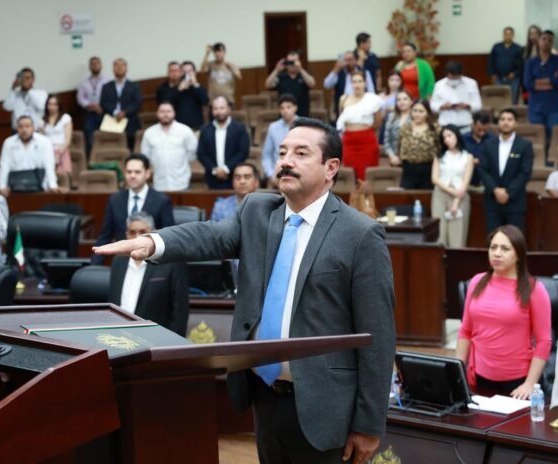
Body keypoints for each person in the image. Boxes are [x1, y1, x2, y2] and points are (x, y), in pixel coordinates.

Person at [94, 117, 396, 464]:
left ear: (331, 168)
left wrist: (369, 424)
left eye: (301, 153)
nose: (286, 161)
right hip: (264, 397)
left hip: (326, 408)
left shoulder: (360, 234)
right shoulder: (257, 211)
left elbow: (379, 336)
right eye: (282, 152)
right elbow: (209, 235)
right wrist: (152, 242)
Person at [457, 225, 552, 399]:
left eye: (505, 249)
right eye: (493, 247)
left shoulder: (534, 289)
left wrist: (530, 384)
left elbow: (544, 341)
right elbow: (465, 331)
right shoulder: (476, 282)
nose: (497, 253)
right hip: (479, 379)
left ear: (518, 255)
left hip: (517, 384)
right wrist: (457, 372)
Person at [109, 211, 189, 336]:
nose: (137, 237)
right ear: (126, 235)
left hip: (156, 338)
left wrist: (174, 343)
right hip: (120, 336)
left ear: (152, 234)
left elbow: (180, 312)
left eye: (142, 232)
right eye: (132, 232)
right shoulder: (118, 261)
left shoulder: (171, 263)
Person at [93, 153, 175, 264]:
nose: (132, 176)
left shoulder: (162, 200)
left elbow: (169, 237)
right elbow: (105, 236)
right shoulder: (115, 200)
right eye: (129, 172)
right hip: (123, 261)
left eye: (137, 172)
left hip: (150, 262)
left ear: (147, 173)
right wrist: (94, 265)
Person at [478, 108, 533, 234]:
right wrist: (495, 190)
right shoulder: (488, 144)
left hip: (515, 202)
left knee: (514, 239)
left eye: (509, 119)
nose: (506, 122)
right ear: (498, 123)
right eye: (502, 119)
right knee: (493, 238)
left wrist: (508, 193)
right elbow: (482, 170)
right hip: (492, 202)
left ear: (516, 123)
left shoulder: (525, 145)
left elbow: (525, 172)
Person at [431, 125, 474, 247]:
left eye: (449, 136)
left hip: (460, 197)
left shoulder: (467, 157)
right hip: (440, 195)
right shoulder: (440, 156)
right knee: (440, 235)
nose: (447, 140)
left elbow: (465, 181)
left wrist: (456, 200)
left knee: (457, 237)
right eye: (444, 137)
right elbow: (435, 179)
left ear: (457, 135)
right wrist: (451, 191)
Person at [336, 71, 383, 180]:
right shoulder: (343, 99)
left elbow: (378, 122)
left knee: (367, 175)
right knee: (351, 175)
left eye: (360, 81)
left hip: (367, 141)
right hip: (349, 141)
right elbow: (342, 118)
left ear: (365, 83)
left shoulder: (373, 99)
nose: (357, 85)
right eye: (354, 82)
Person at [140, 102, 197, 191]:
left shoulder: (185, 130)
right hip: (159, 183)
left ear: (174, 113)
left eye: (168, 111)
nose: (165, 114)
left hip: (182, 182)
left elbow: (192, 152)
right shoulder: (149, 133)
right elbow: (145, 156)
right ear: (157, 114)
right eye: (162, 111)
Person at [0, 116, 58, 197]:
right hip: (15, 184)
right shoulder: (9, 143)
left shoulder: (44, 141)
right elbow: (4, 166)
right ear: (17, 128)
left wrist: (52, 185)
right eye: (21, 127)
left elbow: (49, 165)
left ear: (33, 128)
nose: (24, 130)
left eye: (27, 126)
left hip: (39, 183)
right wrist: (2, 186)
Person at [197, 96, 249, 189]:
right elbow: (201, 153)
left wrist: (226, 169)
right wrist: (215, 170)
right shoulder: (205, 129)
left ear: (228, 109)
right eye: (215, 108)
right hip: (212, 178)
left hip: (235, 177)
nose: (219, 111)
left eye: (222, 108)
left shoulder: (239, 128)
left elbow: (243, 152)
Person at [524, 31, 558, 142]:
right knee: (537, 137)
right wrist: (550, 82)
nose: (546, 42)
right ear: (539, 41)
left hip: (553, 106)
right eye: (544, 39)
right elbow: (528, 83)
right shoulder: (530, 62)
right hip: (535, 106)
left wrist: (538, 82)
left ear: (552, 43)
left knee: (554, 136)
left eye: (550, 40)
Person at [99, 58, 142, 151]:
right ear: (113, 69)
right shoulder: (106, 87)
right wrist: (115, 112)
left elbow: (137, 103)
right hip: (111, 120)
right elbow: (103, 103)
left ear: (126, 68)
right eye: (116, 65)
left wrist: (124, 112)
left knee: (131, 145)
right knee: (111, 147)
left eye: (122, 65)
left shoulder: (134, 86)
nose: (119, 68)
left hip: (129, 120)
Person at [396, 100, 439, 189]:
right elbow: (399, 146)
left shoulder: (434, 128)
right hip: (408, 169)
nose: (417, 114)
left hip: (428, 169)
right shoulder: (405, 127)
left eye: (421, 111)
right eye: (415, 111)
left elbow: (440, 148)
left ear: (427, 113)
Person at [430, 60, 482, 132]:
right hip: (445, 124)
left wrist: (467, 106)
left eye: (456, 77)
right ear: (447, 74)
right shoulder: (439, 85)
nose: (454, 80)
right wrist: (442, 106)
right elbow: (432, 106)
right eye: (452, 77)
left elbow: (478, 105)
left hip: (465, 124)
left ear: (461, 74)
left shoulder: (471, 83)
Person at [323, 51, 376, 120]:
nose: (347, 63)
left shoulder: (364, 72)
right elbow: (326, 85)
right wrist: (336, 69)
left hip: (362, 109)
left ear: (355, 60)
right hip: (343, 109)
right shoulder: (339, 73)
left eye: (350, 60)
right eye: (345, 60)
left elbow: (372, 92)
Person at [262, 94, 298, 187]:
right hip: (277, 175)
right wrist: (270, 175)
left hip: (298, 173)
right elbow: (266, 155)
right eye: (282, 108)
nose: (285, 110)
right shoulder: (273, 127)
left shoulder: (304, 126)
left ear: (295, 108)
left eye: (288, 107)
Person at [265, 51, 316, 117]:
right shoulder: (281, 77)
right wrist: (276, 69)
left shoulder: (303, 76)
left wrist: (300, 69)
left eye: (294, 62)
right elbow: (268, 85)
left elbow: (312, 84)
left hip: (303, 115)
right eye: (289, 62)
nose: (292, 64)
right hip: (285, 115)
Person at [77, 56, 110, 155]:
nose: (95, 66)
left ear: (101, 65)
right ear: (89, 67)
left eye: (97, 63)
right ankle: (93, 157)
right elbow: (80, 98)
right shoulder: (84, 83)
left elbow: (111, 96)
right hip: (90, 113)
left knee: (106, 136)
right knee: (90, 137)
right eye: (93, 64)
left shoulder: (108, 80)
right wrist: (91, 106)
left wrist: (101, 106)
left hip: (105, 112)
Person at [488, 27, 523, 103]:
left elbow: (522, 65)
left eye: (510, 34)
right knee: (500, 99)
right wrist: (492, 74)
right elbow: (491, 61)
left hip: (513, 79)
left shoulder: (518, 48)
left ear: (513, 36)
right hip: (498, 78)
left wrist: (515, 73)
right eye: (506, 34)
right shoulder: (496, 47)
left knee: (513, 99)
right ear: (503, 35)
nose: (507, 36)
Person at [39, 95, 72, 176]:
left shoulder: (65, 118)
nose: (52, 107)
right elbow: (41, 139)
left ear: (59, 106)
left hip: (61, 149)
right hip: (47, 151)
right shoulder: (42, 120)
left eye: (55, 104)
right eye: (49, 104)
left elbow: (68, 139)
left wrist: (59, 153)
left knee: (62, 175)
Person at [201, 42, 242, 107]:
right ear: (214, 53)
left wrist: (231, 68)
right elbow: (202, 70)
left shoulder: (231, 65)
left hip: (228, 100)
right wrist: (207, 54)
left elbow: (239, 77)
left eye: (220, 51)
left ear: (224, 52)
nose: (218, 54)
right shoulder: (210, 65)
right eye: (216, 52)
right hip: (213, 101)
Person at [173, 61, 209, 131]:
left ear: (194, 72)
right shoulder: (175, 89)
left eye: (190, 71)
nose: (187, 74)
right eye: (184, 71)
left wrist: (195, 84)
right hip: (179, 129)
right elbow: (169, 103)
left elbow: (205, 101)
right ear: (180, 73)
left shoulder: (199, 88)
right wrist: (179, 89)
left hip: (196, 128)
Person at [463, 111, 495, 186]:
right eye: (479, 130)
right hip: (466, 180)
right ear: (472, 125)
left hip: (486, 181)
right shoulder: (463, 139)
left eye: (485, 130)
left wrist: (481, 161)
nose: (482, 133)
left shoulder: (493, 140)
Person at [383, 90, 412, 165]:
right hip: (394, 158)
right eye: (399, 100)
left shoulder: (415, 117)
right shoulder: (391, 117)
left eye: (405, 99)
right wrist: (392, 156)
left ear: (411, 101)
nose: (402, 102)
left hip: (412, 159)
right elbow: (387, 141)